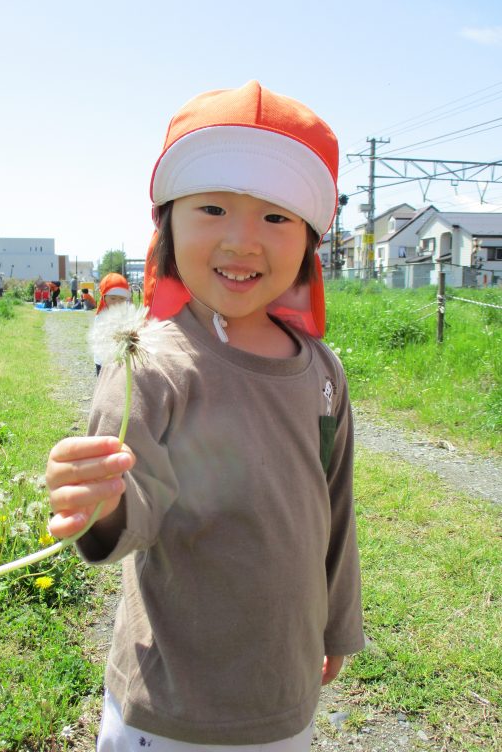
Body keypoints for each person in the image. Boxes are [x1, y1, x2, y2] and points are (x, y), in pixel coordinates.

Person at [45, 81, 364, 751]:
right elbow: (136, 502)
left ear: (309, 239)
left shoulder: (322, 372)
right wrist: (100, 503)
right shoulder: (150, 367)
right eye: (214, 208)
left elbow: (334, 508)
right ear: (166, 227)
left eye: (277, 216)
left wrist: (337, 625)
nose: (244, 241)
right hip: (170, 711)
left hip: (284, 695)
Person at [93, 274, 131, 375]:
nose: (117, 302)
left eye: (121, 299)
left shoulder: (129, 314)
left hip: (122, 359)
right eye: (113, 298)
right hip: (103, 361)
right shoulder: (101, 317)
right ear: (104, 298)